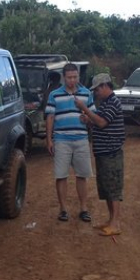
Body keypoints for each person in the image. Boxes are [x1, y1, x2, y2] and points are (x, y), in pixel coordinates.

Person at [75, 73, 125, 238]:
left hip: (111, 152)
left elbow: (102, 122)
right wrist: (89, 120)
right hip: (104, 152)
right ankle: (111, 221)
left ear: (104, 86)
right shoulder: (106, 103)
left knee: (113, 189)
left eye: (96, 90)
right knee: (106, 189)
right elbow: (100, 122)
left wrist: (84, 109)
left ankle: (115, 223)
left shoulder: (112, 103)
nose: (95, 93)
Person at [45, 63, 95, 223]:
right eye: (69, 77)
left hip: (81, 139)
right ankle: (63, 209)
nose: (72, 80)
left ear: (78, 76)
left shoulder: (87, 94)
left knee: (82, 175)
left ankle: (84, 208)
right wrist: (49, 139)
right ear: (64, 77)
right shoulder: (54, 95)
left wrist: (87, 118)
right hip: (61, 140)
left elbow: (92, 117)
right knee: (61, 176)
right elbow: (50, 117)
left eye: (75, 77)